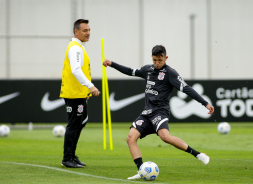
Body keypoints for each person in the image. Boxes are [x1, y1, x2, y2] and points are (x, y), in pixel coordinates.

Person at [102, 45, 214, 179]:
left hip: (160, 111)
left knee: (165, 137)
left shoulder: (170, 73)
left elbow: (187, 89)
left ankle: (199, 155)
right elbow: (130, 71)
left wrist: (205, 103)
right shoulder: (147, 70)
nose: (157, 63)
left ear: (166, 58)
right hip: (146, 112)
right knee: (130, 138)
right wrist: (112, 64)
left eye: (160, 60)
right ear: (152, 58)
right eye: (155, 60)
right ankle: (141, 171)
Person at [60, 19, 100, 168]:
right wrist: (90, 86)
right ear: (76, 32)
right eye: (85, 30)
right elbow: (76, 69)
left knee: (81, 122)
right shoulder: (75, 48)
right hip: (73, 94)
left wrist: (86, 91)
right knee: (74, 124)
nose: (88, 33)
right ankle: (67, 158)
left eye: (89, 30)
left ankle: (72, 156)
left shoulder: (79, 47)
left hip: (79, 93)